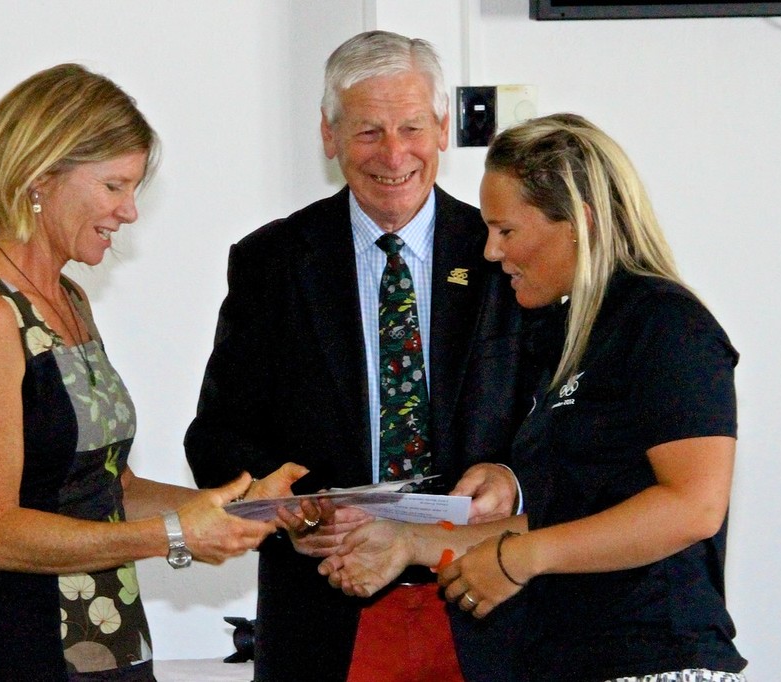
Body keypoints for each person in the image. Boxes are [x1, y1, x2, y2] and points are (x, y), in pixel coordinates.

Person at [0, 63, 306, 681]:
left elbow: (107, 491)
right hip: (19, 651)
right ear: (41, 178)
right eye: (115, 186)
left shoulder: (70, 303)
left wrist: (233, 508)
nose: (130, 212)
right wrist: (174, 534)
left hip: (106, 644)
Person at [320, 113, 748, 682]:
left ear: (579, 224)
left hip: (655, 656)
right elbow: (563, 523)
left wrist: (526, 557)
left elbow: (693, 507)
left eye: (507, 231)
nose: (491, 253)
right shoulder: (566, 337)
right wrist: (405, 543)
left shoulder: (666, 325)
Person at [185, 31, 527, 682]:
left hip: (488, 605)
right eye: (368, 132)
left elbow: (557, 421)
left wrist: (513, 480)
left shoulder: (505, 254)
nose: (394, 154)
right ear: (329, 135)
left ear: (443, 129)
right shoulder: (271, 262)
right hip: (325, 614)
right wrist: (292, 508)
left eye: (411, 127)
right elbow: (217, 437)